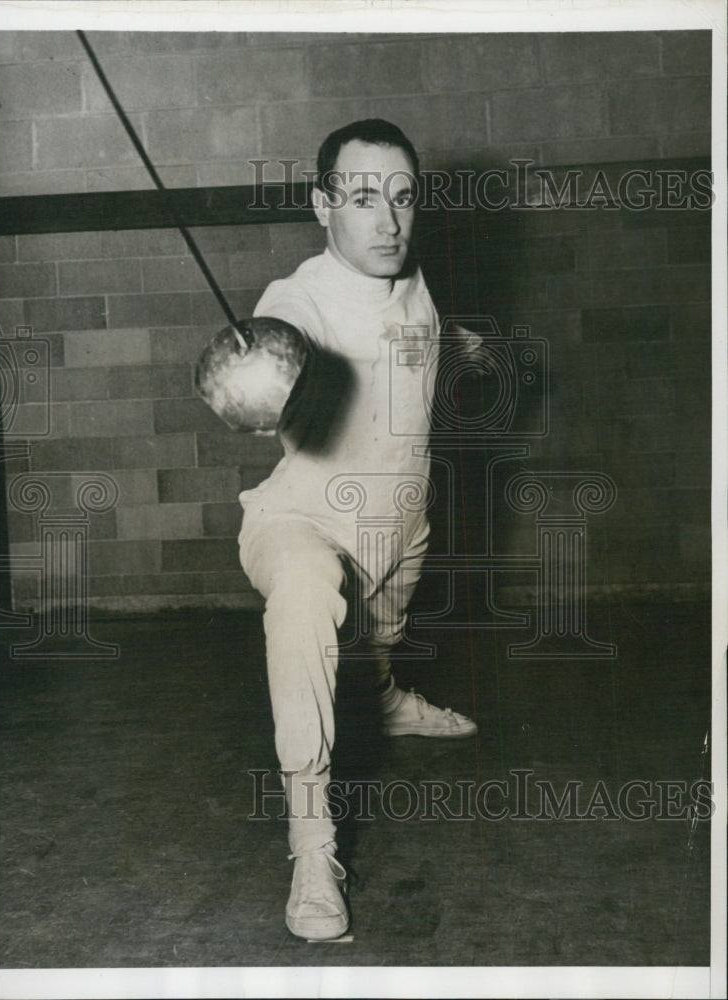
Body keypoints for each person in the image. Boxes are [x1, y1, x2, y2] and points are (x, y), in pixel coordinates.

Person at [237, 119, 478, 941]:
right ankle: (313, 849)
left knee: (377, 641)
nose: (388, 220)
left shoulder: (413, 282)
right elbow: (280, 343)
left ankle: (384, 699)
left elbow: (412, 338)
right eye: (364, 198)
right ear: (322, 206)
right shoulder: (295, 299)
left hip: (400, 525)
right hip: (300, 521)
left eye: (403, 198)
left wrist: (463, 346)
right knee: (309, 597)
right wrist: (263, 363)